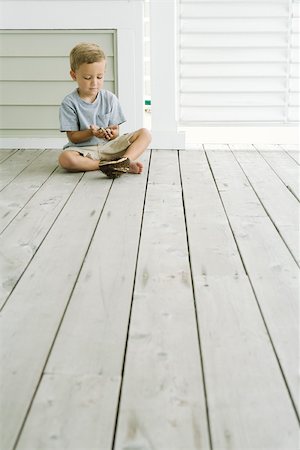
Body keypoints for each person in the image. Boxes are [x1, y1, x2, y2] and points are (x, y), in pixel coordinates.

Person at [59, 42, 151, 178]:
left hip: (110, 147)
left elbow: (116, 132)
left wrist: (110, 133)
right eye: (87, 78)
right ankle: (108, 164)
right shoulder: (69, 103)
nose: (94, 82)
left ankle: (124, 161)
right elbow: (73, 137)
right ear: (74, 75)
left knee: (145, 134)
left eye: (99, 77)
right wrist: (91, 133)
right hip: (84, 150)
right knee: (65, 159)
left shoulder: (109, 98)